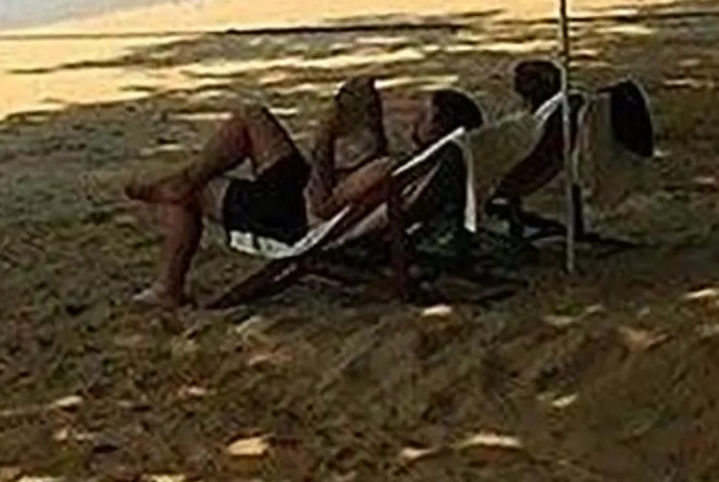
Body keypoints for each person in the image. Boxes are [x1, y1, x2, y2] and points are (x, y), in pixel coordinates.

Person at [125, 74, 483, 307]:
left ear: (439, 129)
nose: (413, 120)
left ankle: (168, 288)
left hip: (294, 218)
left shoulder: (391, 171)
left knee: (193, 192)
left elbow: (322, 206)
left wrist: (325, 136)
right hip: (303, 199)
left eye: (424, 115)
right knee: (253, 117)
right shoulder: (431, 167)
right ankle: (182, 178)